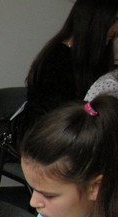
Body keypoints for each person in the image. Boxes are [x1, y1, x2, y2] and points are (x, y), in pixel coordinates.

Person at [18, 0, 118, 140]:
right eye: (114, 20)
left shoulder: (94, 57)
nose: (116, 27)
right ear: (95, 23)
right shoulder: (56, 60)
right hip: (53, 138)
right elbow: (60, 118)